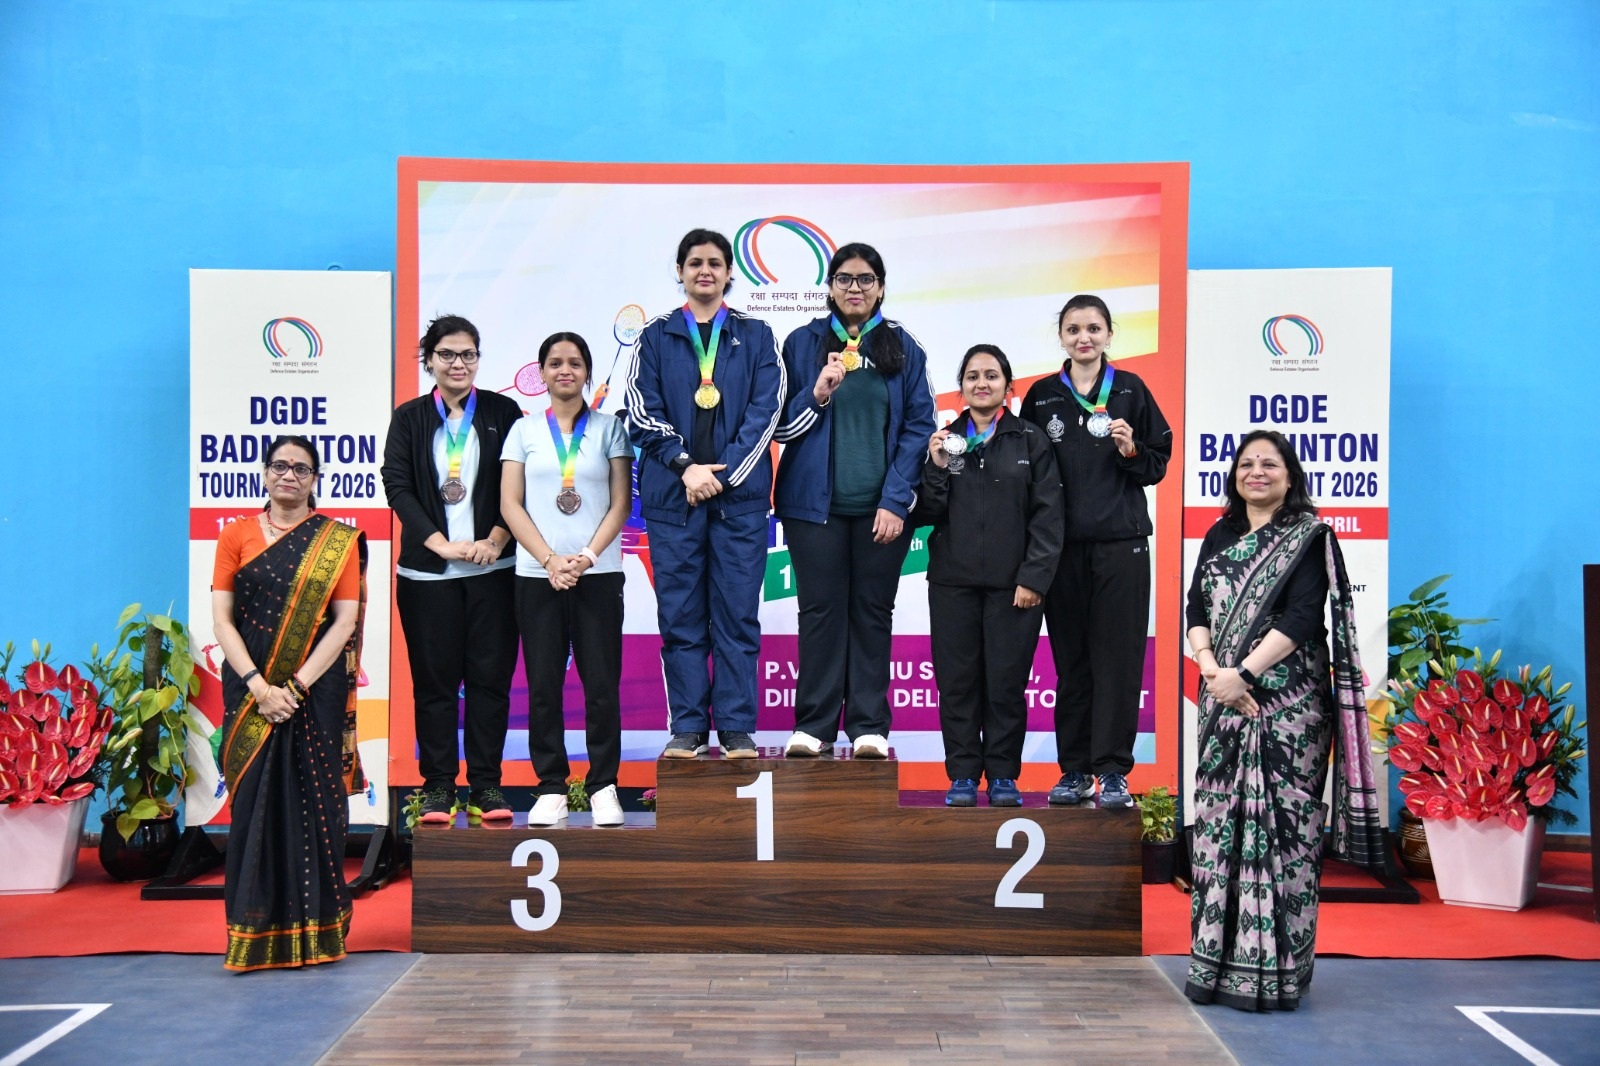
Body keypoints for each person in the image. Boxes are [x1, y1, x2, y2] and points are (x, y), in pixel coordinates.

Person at [1183, 430, 1384, 1012]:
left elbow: (1301, 617)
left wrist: (1243, 674)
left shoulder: (1309, 537)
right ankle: (1214, 967)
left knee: (1285, 831)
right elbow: (1196, 607)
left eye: (1269, 464)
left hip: (1289, 702)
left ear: (1289, 475)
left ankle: (1277, 974)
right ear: (1234, 476)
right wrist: (1212, 670)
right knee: (1219, 828)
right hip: (1221, 695)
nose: (1257, 472)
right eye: (1246, 463)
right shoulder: (1219, 534)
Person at [624, 228, 785, 761]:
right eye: (695, 263)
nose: (705, 271)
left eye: (715, 263)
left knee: (737, 616)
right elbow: (641, 410)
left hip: (739, 502)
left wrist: (723, 474)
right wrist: (686, 467)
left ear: (729, 273)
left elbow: (767, 410)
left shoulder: (757, 335)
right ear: (680, 271)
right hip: (675, 500)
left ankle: (736, 727)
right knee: (681, 618)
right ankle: (689, 727)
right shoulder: (656, 336)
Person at [773, 242, 937, 760]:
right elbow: (777, 425)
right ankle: (814, 725)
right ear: (830, 287)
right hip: (812, 508)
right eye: (844, 278)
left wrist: (895, 499)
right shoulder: (801, 343)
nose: (854, 288)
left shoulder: (903, 347)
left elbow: (919, 427)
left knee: (871, 613)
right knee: (820, 613)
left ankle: (869, 726)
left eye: (866, 279)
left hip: (880, 511)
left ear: (880, 288)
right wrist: (816, 394)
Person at [212, 435, 366, 972]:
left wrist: (296, 688)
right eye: (280, 465)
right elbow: (222, 620)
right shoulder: (235, 535)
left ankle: (318, 935)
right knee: (252, 809)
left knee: (316, 807)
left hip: (313, 694)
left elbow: (343, 622)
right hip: (250, 693)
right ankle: (251, 935)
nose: (289, 476)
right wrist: (259, 686)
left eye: (301, 469)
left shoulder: (336, 542)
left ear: (315, 479)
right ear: (264, 472)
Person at [1021, 294, 1171, 810]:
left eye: (1093, 328)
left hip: (1121, 547)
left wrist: (1131, 450)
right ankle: (1075, 769)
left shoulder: (1131, 389)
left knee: (1119, 662)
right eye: (1073, 329)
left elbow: (1156, 464)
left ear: (1109, 334)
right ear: (1062, 337)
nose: (1083, 337)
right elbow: (1026, 473)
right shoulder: (1042, 396)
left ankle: (1112, 771)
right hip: (1061, 551)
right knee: (1073, 663)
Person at [381, 315, 523, 824]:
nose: (458, 363)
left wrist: (496, 539)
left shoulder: (504, 412)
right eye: (447, 354)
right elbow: (397, 485)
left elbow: (520, 482)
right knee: (435, 686)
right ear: (429, 361)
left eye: (467, 354)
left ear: (478, 359)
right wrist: (439, 544)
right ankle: (438, 786)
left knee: (490, 684)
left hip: (495, 572)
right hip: (427, 577)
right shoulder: (409, 418)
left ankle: (486, 785)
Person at [918, 345, 1062, 807]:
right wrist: (936, 469)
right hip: (951, 584)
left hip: (1013, 588)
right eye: (973, 376)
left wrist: (1034, 578)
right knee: (957, 684)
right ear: (961, 386)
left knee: (1005, 685)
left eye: (992, 375)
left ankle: (1002, 775)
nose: (982, 383)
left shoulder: (1030, 440)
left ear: (1007, 385)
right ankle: (962, 774)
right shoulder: (946, 442)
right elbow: (927, 512)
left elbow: (1048, 516)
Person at [501, 332, 634, 827]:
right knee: (543, 685)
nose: (565, 370)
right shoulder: (523, 431)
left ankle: (603, 785)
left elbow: (620, 503)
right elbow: (509, 503)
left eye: (575, 363)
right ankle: (551, 786)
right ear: (541, 373)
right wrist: (550, 560)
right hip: (538, 575)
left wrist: (585, 556)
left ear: (587, 372)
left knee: (601, 685)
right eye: (555, 363)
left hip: (598, 573)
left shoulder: (610, 428)